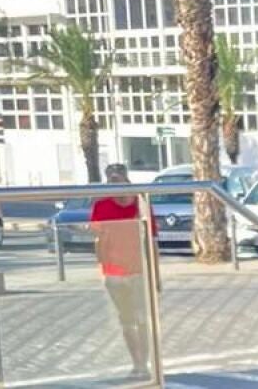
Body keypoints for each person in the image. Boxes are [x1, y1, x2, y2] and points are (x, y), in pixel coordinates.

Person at [91, 162, 156, 380]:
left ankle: (145, 363)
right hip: (114, 273)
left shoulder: (141, 203)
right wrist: (102, 270)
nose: (113, 185)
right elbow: (98, 239)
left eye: (117, 180)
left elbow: (151, 240)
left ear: (126, 180)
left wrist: (155, 274)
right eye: (110, 181)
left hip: (139, 271)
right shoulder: (101, 205)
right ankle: (137, 364)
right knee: (127, 321)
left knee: (143, 319)